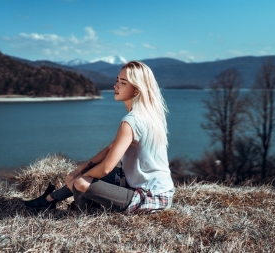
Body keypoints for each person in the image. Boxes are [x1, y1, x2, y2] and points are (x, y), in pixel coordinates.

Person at [24, 60, 175, 214]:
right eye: (117, 80)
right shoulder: (149, 116)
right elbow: (111, 148)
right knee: (93, 172)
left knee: (83, 183)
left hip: (149, 197)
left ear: (136, 90)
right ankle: (49, 200)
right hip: (162, 191)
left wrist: (78, 179)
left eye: (123, 83)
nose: (115, 86)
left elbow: (106, 167)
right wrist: (80, 169)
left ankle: (86, 209)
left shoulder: (131, 121)